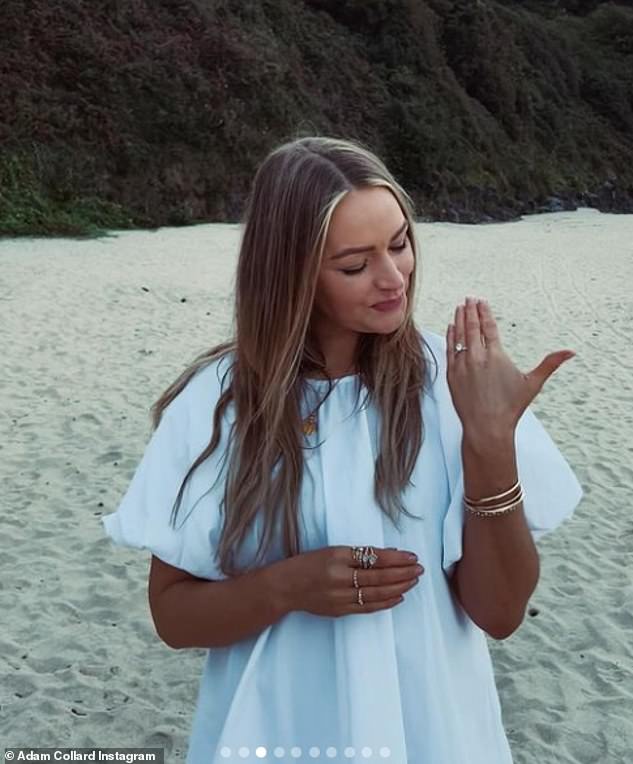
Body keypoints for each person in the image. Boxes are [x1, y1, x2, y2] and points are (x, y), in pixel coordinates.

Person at [102, 136, 583, 763]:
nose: (392, 279)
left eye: (401, 243)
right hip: (275, 736)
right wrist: (285, 588)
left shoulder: (454, 380)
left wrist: (491, 445)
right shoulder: (216, 404)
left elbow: (499, 613)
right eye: (354, 264)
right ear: (291, 272)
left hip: (434, 736)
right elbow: (173, 616)